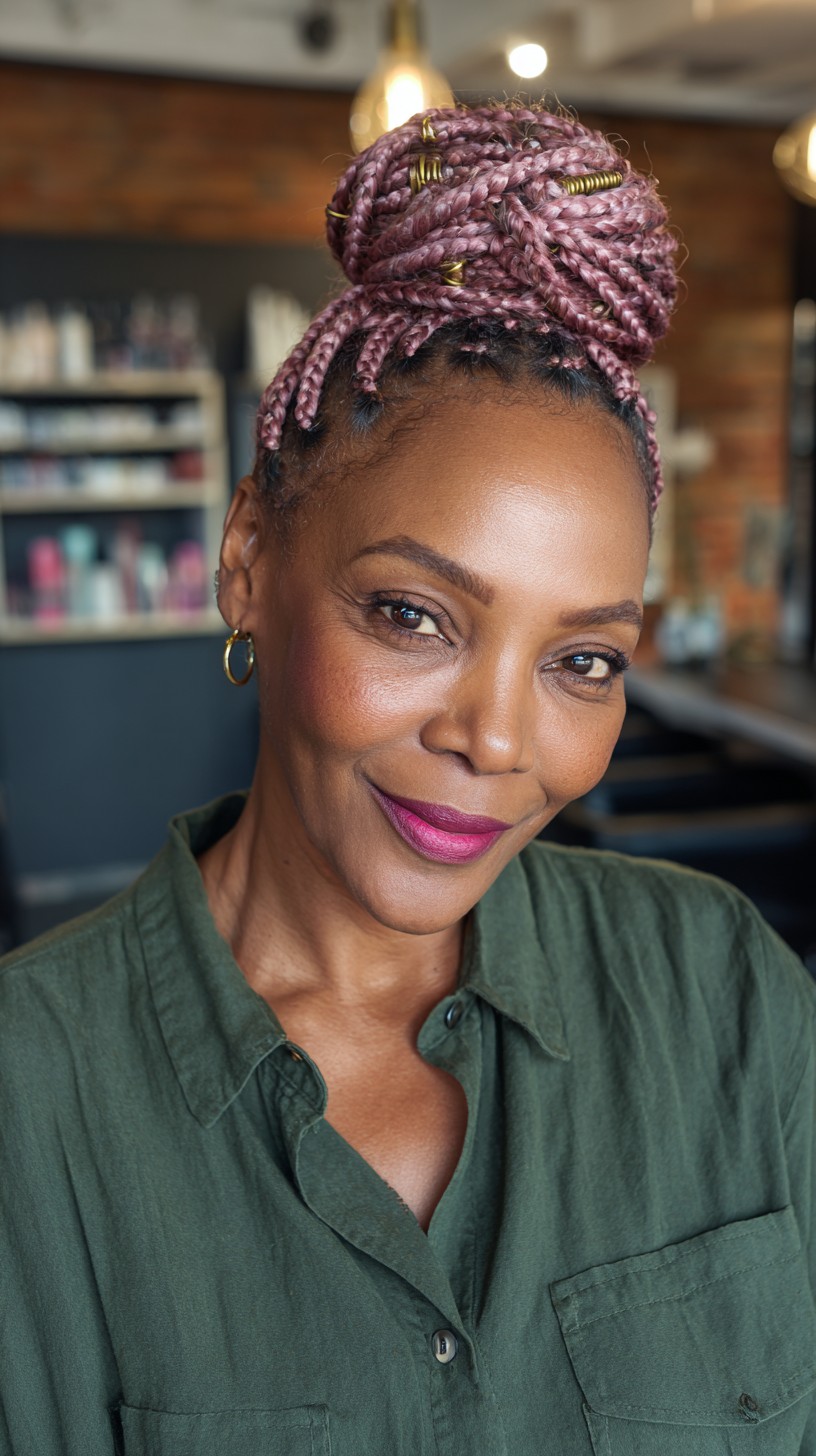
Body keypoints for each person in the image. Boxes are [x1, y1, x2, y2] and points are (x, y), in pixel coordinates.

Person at [1, 103, 814, 1456]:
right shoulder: (35, 1107)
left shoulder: (722, 993)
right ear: (251, 556)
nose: (499, 743)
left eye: (585, 661)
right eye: (415, 616)